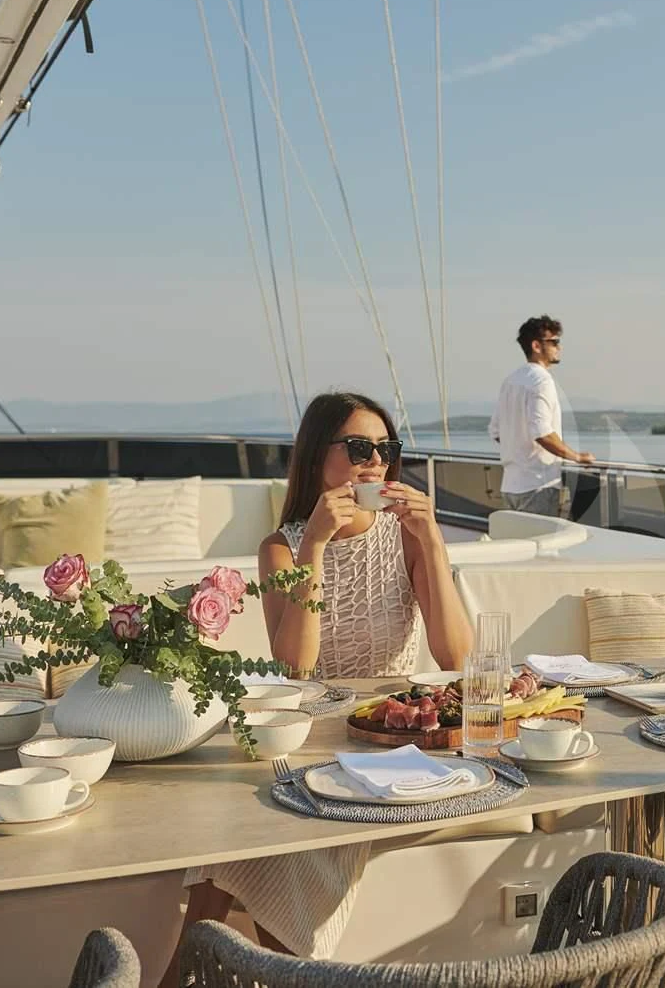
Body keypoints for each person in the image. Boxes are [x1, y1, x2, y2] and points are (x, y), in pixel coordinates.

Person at [160, 392, 472, 986]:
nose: (375, 461)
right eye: (358, 448)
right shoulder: (283, 547)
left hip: (388, 738)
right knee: (247, 816)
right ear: (317, 455)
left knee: (265, 832)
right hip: (310, 736)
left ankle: (187, 971)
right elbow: (295, 667)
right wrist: (316, 548)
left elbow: (456, 659)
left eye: (385, 449)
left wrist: (432, 539)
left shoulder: (406, 536)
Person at [489, 315, 593, 516]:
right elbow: (542, 433)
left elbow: (496, 431)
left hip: (510, 486)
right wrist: (577, 457)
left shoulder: (510, 381)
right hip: (538, 485)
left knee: (517, 537)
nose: (559, 347)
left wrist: (519, 446)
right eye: (554, 342)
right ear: (536, 346)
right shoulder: (542, 381)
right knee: (541, 537)